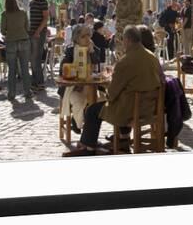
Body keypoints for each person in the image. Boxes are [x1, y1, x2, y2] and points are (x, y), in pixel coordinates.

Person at [62, 25, 162, 157]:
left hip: (129, 109)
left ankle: (88, 147)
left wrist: (109, 84)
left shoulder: (126, 62)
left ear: (127, 40)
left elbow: (112, 94)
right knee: (110, 101)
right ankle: (124, 139)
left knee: (92, 110)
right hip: (149, 108)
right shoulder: (152, 57)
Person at [58, 25, 100, 133]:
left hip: (90, 87)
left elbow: (98, 65)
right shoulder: (70, 51)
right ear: (76, 38)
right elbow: (63, 70)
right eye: (83, 36)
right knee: (78, 101)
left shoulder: (93, 49)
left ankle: (77, 122)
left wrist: (91, 52)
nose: (87, 39)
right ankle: (80, 125)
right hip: (73, 88)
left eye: (88, 36)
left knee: (99, 101)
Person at [0, 0, 32, 102]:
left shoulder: (4, 14)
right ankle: (27, 92)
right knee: (25, 69)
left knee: (12, 70)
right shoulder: (23, 12)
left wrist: (10, 31)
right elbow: (27, 27)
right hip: (24, 40)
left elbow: (3, 31)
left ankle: (12, 94)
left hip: (11, 42)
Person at [28, 0, 49, 91]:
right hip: (30, 33)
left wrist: (38, 31)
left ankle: (39, 82)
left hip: (38, 34)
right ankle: (35, 82)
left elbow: (46, 18)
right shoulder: (30, 1)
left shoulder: (43, 1)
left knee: (36, 58)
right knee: (32, 58)